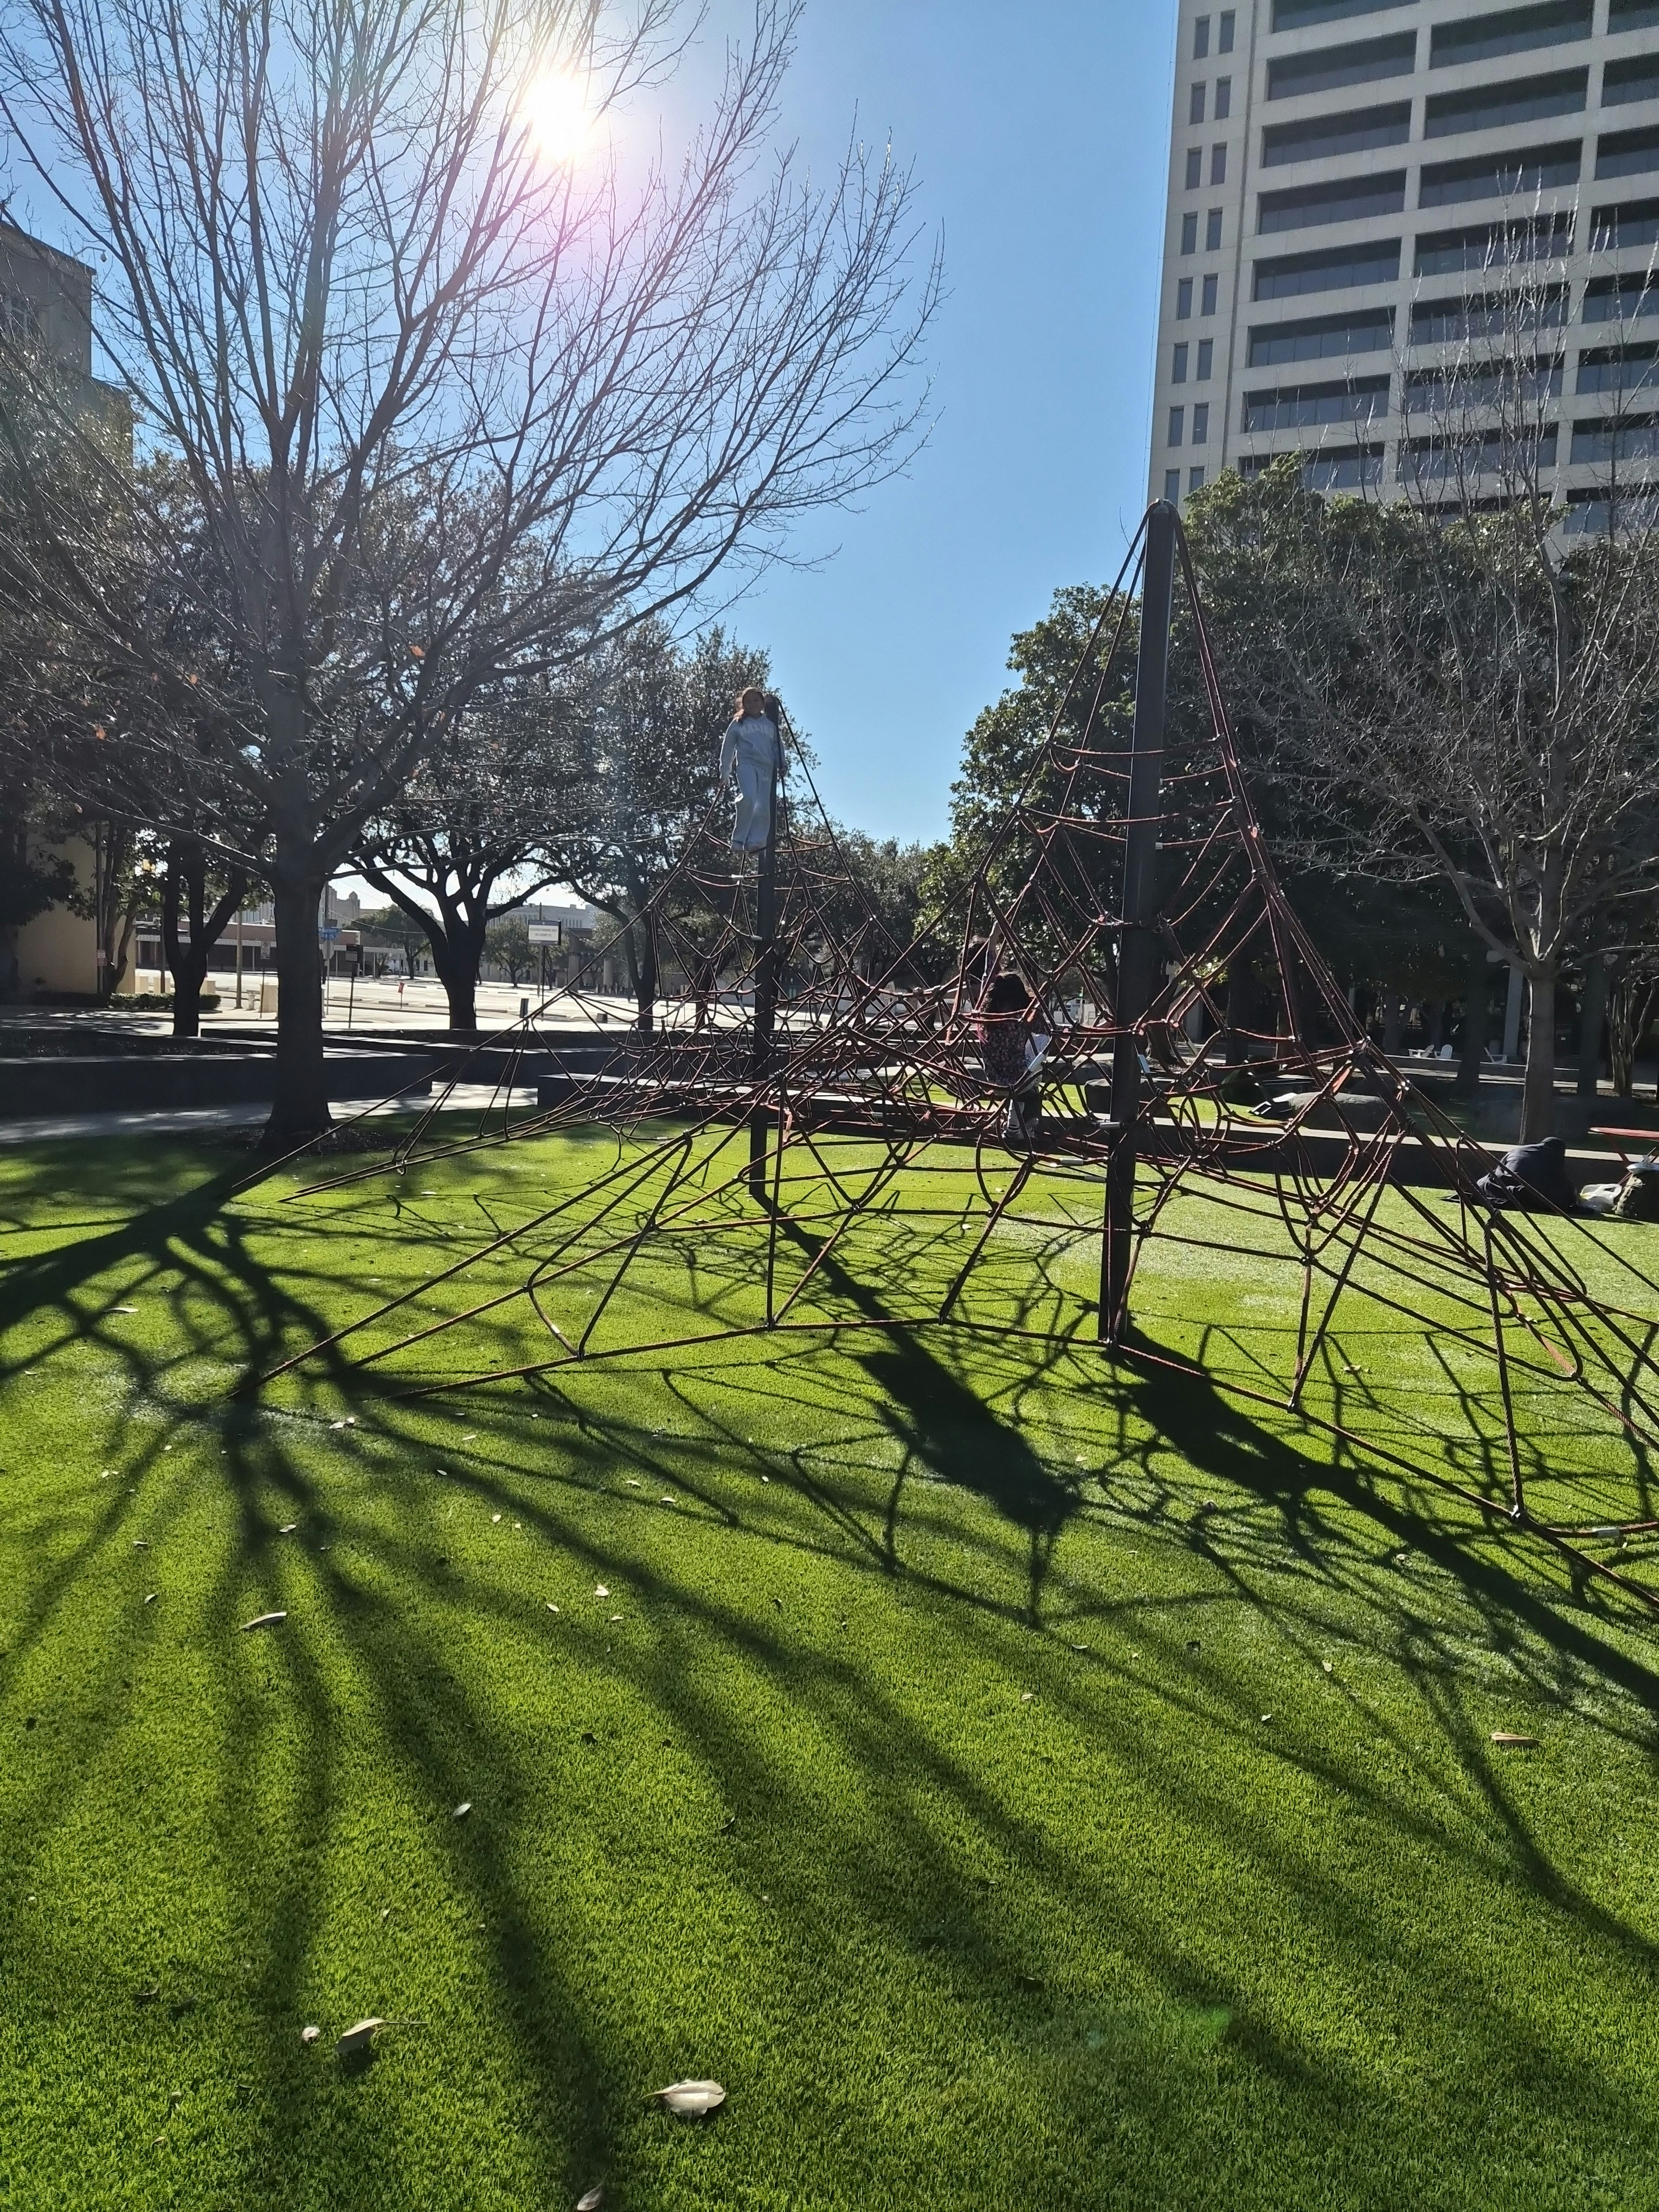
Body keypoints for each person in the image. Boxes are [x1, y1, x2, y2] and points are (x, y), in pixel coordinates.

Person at [978, 970, 1047, 1146]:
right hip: (1020, 1078)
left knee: (1027, 1076)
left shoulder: (986, 1017)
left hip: (995, 1079)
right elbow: (1047, 1032)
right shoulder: (1023, 1016)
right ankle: (1019, 1127)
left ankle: (1017, 1127)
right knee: (1038, 1066)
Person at [719, 686, 782, 852]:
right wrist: (725, 772)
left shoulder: (770, 725)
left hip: (766, 767)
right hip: (746, 764)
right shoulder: (739, 723)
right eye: (748, 701)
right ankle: (738, 839)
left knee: (763, 804)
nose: (752, 704)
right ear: (743, 705)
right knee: (749, 797)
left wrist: (782, 764)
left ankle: (756, 841)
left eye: (756, 700)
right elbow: (728, 747)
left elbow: (778, 746)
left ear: (762, 703)